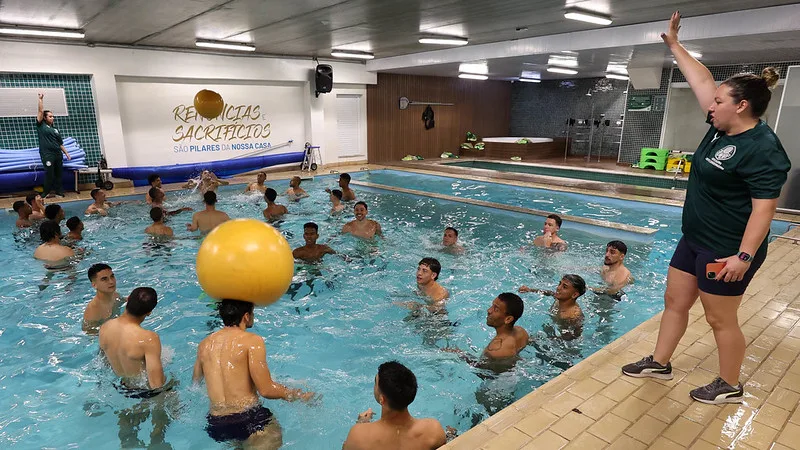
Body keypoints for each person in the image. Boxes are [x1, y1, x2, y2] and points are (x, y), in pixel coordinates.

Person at [621, 12, 791, 405]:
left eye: (719, 101)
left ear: (742, 106)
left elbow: (765, 210)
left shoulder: (763, 150)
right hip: (695, 238)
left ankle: (729, 384)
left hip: (727, 247)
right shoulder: (721, 126)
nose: (710, 104)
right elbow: (702, 82)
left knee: (719, 318)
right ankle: (660, 362)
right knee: (675, 302)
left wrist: (743, 257)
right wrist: (676, 47)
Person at [193, 299, 316, 448]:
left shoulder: (204, 344)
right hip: (248, 418)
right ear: (246, 316)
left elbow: (195, 384)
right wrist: (298, 395)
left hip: (216, 424)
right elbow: (266, 390)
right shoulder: (252, 341)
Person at [99, 287, 174, 448]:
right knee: (172, 390)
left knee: (126, 433)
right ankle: (157, 438)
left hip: (123, 388)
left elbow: (104, 362)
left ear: (128, 300)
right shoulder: (148, 339)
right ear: (149, 313)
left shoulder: (105, 328)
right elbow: (156, 384)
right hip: (145, 392)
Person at [343, 361, 446, 450]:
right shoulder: (433, 431)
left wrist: (361, 423)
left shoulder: (358, 436)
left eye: (376, 383)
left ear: (382, 399)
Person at [520, 274, 586, 340]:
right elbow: (550, 293)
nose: (558, 288)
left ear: (574, 295)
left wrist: (544, 339)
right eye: (559, 284)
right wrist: (530, 290)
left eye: (564, 287)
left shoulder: (571, 316)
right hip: (553, 327)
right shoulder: (560, 298)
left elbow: (573, 337)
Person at [36, 93, 71, 198]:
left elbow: (60, 143)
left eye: (53, 116)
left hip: (57, 154)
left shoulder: (55, 129)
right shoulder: (41, 126)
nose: (53, 118)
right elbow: (40, 111)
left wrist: (66, 153)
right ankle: (45, 192)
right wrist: (40, 99)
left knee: (59, 174)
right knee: (49, 174)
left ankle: (59, 190)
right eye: (50, 116)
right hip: (47, 155)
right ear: (45, 118)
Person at [82, 263, 124, 333]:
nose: (111, 282)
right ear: (94, 285)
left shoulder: (115, 295)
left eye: (112, 276)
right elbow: (91, 335)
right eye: (104, 279)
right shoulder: (93, 310)